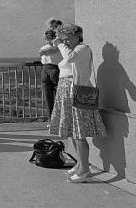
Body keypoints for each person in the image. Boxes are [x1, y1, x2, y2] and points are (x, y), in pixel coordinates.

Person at [48, 23, 107, 183]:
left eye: (67, 39)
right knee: (73, 131)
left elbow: (70, 58)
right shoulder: (73, 49)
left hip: (76, 92)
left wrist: (59, 43)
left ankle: (84, 170)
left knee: (79, 132)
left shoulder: (82, 49)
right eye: (63, 39)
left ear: (76, 36)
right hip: (66, 91)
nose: (65, 42)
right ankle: (80, 164)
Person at [39, 29, 62, 121]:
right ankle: (51, 119)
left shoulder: (59, 46)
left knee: (58, 96)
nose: (48, 39)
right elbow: (40, 52)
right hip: (45, 69)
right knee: (47, 95)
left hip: (55, 68)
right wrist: (45, 51)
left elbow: (54, 49)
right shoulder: (44, 47)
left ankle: (58, 119)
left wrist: (45, 51)